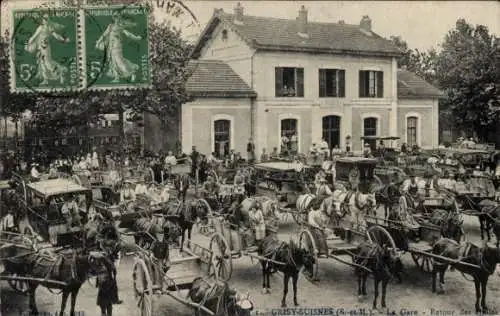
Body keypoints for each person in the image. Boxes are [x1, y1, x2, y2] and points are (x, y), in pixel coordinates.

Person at [150, 227, 170, 294]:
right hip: (157, 259)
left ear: (163, 235)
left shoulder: (165, 243)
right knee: (159, 269)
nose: (160, 236)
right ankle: (159, 286)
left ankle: (163, 275)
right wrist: (152, 255)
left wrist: (166, 259)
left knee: (168, 265)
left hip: (163, 258)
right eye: (159, 235)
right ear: (156, 235)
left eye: (162, 235)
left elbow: (167, 252)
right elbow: (151, 250)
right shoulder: (155, 242)